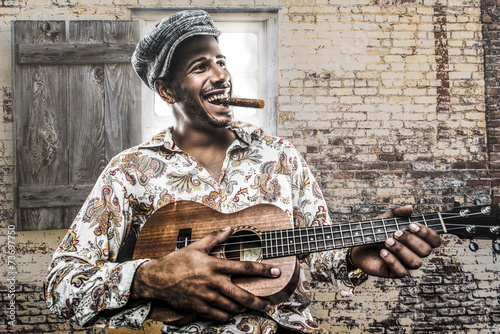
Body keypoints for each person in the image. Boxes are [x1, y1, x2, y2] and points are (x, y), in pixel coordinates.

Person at [44, 10, 441, 334]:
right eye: (200, 67)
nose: (220, 75)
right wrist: (151, 277)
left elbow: (317, 254)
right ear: (167, 91)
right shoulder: (129, 172)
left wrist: (355, 254)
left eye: (221, 61)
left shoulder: (280, 156)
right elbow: (61, 284)